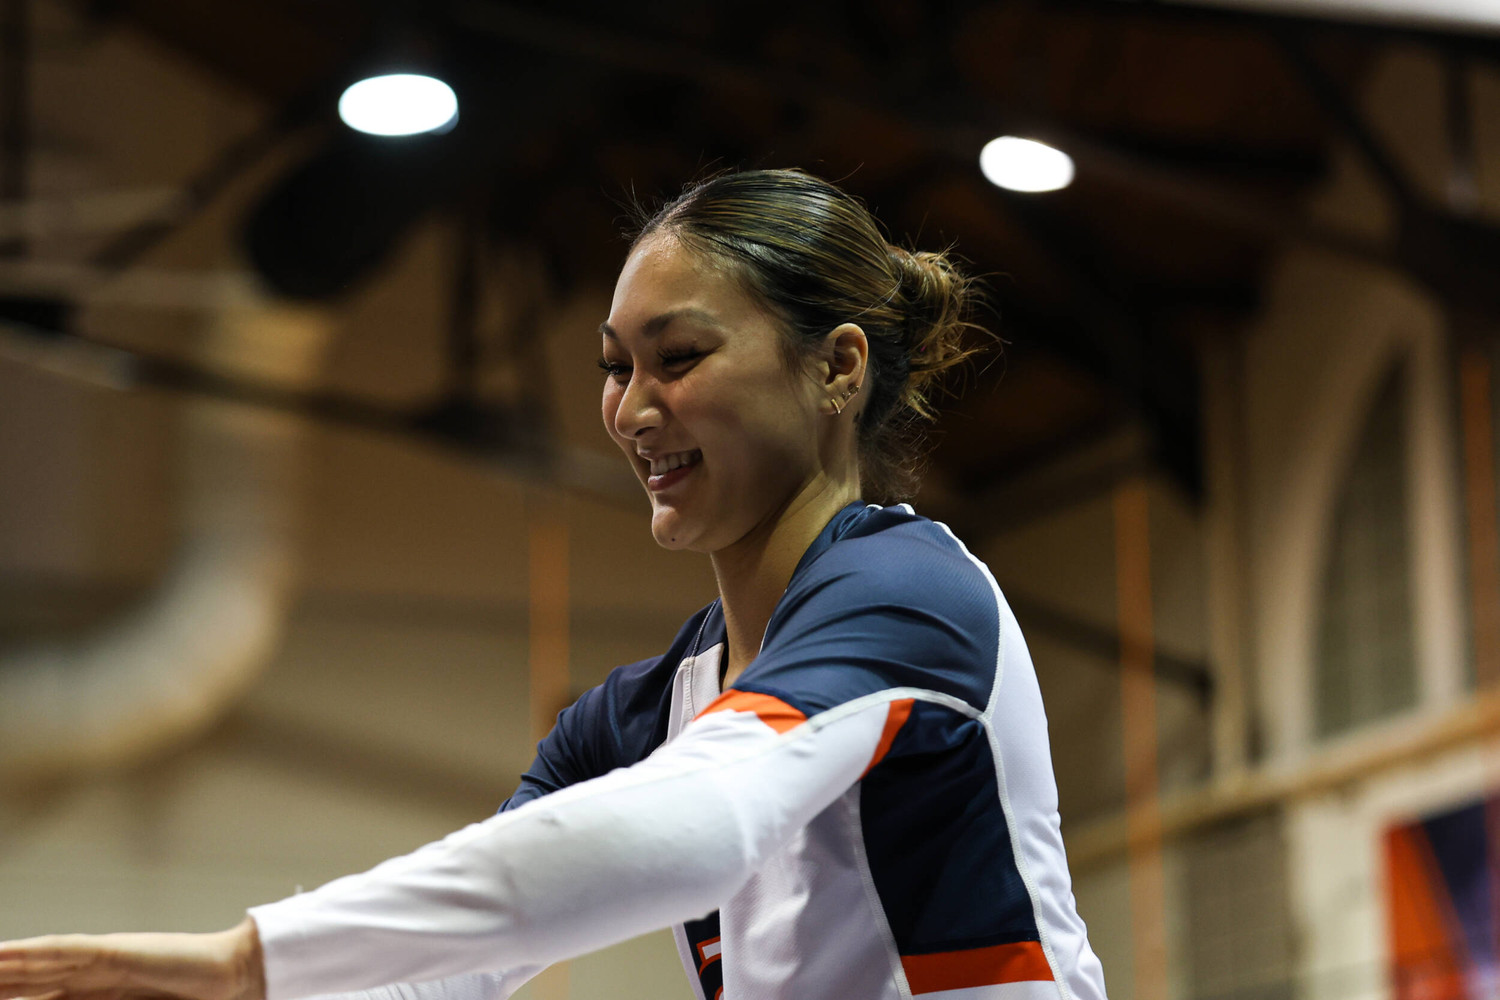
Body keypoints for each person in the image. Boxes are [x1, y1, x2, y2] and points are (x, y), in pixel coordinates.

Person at [0, 168, 1108, 1000]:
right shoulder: (634, 714)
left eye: (677, 358)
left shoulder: (914, 598)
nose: (630, 409)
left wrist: (249, 957)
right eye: (614, 366)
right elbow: (455, 964)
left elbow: (699, 822)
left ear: (837, 367)